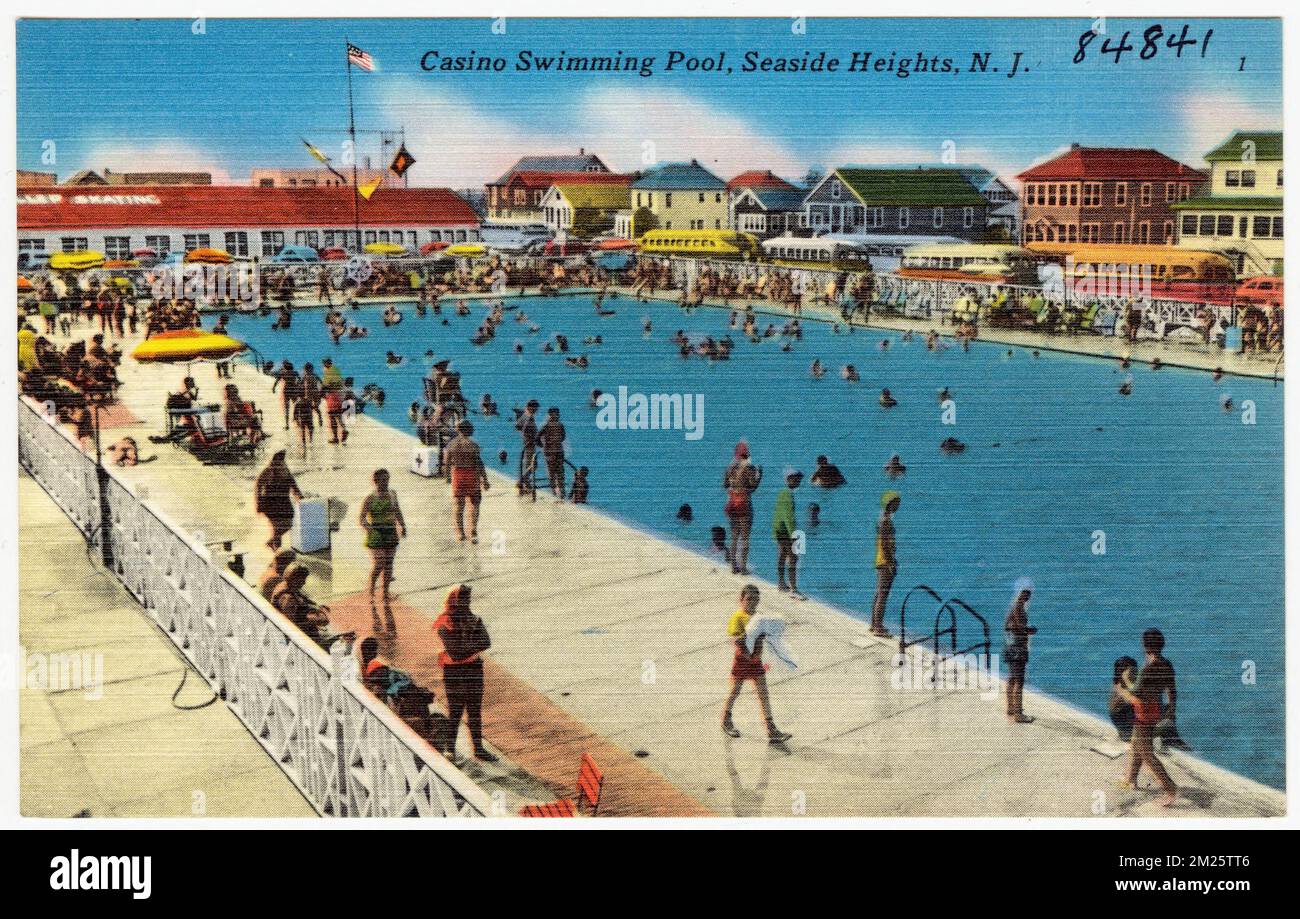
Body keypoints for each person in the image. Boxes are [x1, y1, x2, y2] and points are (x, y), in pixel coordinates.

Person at [720, 584, 791, 744]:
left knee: (763, 694)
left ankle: (771, 729)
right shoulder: (738, 617)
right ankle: (726, 718)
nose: (752, 602)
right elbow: (736, 641)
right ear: (741, 600)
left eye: (756, 599)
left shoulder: (759, 618)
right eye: (749, 599)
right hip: (743, 660)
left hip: (756, 660)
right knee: (735, 691)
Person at [434, 585, 497, 762]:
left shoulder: (474, 619)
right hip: (455, 671)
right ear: (454, 601)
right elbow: (455, 652)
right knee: (456, 710)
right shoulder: (444, 622)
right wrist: (472, 646)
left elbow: (486, 642)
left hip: (473, 669)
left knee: (475, 710)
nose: (466, 603)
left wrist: (466, 648)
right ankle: (450, 748)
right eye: (463, 599)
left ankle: (478, 748)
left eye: (468, 599)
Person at [1117, 629, 1179, 806]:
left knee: (1146, 753)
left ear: (1145, 646)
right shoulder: (1167, 664)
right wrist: (1172, 710)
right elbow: (1172, 690)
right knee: (1138, 745)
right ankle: (1131, 779)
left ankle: (1171, 789)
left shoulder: (1147, 669)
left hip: (1144, 713)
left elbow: (1135, 693)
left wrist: (1125, 682)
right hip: (1156, 710)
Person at [359, 469, 406, 632]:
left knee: (389, 564)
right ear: (375, 481)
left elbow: (397, 510)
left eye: (387, 479)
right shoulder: (370, 498)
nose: (385, 483)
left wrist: (402, 525)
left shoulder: (392, 493)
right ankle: (371, 591)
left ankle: (385, 592)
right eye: (382, 480)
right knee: (379, 563)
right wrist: (369, 529)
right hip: (377, 533)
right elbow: (361, 518)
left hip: (390, 531)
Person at [444, 420, 490, 543]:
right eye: (471, 428)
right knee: (475, 504)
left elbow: (447, 462)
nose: (473, 430)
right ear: (467, 429)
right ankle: (473, 530)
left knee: (458, 506)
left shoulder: (451, 445)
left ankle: (460, 533)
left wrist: (448, 476)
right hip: (472, 475)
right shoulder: (473, 445)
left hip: (458, 475)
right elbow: (479, 463)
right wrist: (484, 479)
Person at [723, 442, 762, 575]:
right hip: (744, 504)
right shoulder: (749, 467)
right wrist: (759, 476)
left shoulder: (730, 467)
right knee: (745, 537)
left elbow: (725, 485)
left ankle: (734, 566)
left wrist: (734, 489)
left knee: (734, 537)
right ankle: (743, 567)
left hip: (732, 503)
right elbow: (753, 487)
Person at [1003, 578, 1037, 723]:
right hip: (1018, 649)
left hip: (1011, 647)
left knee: (1011, 678)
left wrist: (1022, 630)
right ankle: (1018, 714)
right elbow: (1019, 627)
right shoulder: (1018, 608)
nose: (1027, 596)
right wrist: (1029, 630)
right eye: (1025, 593)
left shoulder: (1013, 608)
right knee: (1019, 680)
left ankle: (1011, 708)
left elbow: (1007, 627)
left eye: (1029, 593)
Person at [254, 451, 302, 550]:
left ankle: (272, 542)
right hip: (270, 503)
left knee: (289, 524)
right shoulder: (268, 471)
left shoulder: (286, 470)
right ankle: (277, 550)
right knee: (276, 528)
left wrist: (300, 496)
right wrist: (258, 502)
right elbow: (257, 485)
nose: (282, 462)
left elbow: (293, 485)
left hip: (284, 502)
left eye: (282, 459)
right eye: (279, 460)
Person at [870, 491, 900, 636]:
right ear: (889, 504)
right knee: (883, 594)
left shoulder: (883, 519)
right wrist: (891, 563)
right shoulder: (885, 521)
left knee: (879, 593)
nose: (898, 505)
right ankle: (878, 626)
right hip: (884, 562)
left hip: (881, 560)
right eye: (895, 502)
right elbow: (885, 544)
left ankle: (873, 623)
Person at [772, 470, 803, 598]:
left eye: (799, 480)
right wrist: (794, 535)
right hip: (786, 531)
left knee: (782, 557)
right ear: (789, 479)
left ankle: (780, 583)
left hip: (778, 529)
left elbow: (778, 514)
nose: (798, 482)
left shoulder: (781, 493)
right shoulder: (787, 495)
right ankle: (794, 588)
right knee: (793, 558)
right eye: (796, 480)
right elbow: (788, 516)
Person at [538, 407, 567, 498]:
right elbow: (563, 437)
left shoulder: (547, 425)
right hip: (554, 451)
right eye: (555, 414)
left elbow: (537, 438)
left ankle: (557, 491)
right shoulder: (553, 425)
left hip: (553, 451)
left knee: (555, 471)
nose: (556, 416)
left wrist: (544, 445)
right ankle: (557, 491)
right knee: (556, 471)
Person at [1109, 656, 1139, 742]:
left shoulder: (1118, 684)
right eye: (1133, 671)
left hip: (1125, 729)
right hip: (1129, 734)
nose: (1136, 673)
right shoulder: (1121, 689)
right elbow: (1138, 701)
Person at [515, 399, 540, 494]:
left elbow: (517, 426)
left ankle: (525, 482)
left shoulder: (525, 415)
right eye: (535, 408)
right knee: (533, 464)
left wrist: (524, 436)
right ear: (531, 407)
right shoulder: (529, 417)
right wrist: (530, 438)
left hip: (527, 443)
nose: (536, 410)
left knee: (528, 464)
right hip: (530, 443)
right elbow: (524, 429)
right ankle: (522, 481)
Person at [271, 361, 301, 431]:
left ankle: (287, 425)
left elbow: (277, 381)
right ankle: (297, 420)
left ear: (285, 367)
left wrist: (273, 388)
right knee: (296, 405)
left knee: (287, 408)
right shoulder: (295, 372)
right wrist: (297, 385)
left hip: (286, 391)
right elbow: (300, 380)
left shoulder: (283, 373)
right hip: (294, 390)